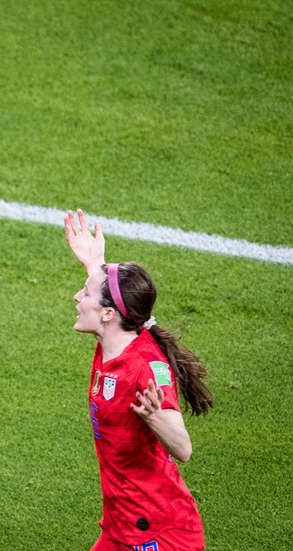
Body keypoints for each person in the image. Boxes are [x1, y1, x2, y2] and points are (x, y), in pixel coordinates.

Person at [64, 209, 213, 551]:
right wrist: (94, 263)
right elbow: (109, 294)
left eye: (84, 293)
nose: (77, 297)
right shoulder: (113, 336)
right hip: (121, 527)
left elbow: (184, 449)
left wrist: (156, 416)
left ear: (107, 314)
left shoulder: (145, 368)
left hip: (158, 535)